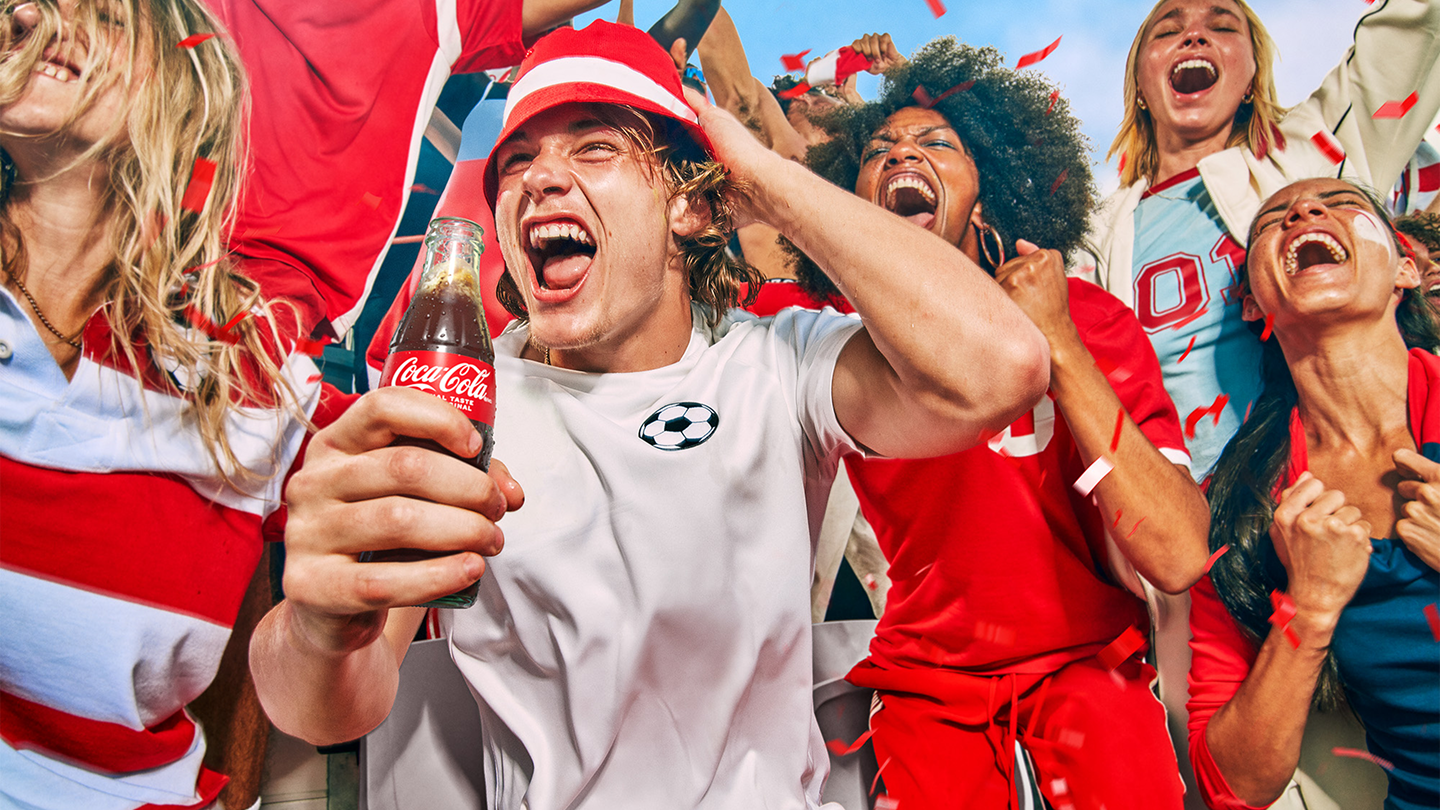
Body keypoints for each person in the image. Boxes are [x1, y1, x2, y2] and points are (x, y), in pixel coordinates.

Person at [249, 20, 1050, 810]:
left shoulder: (774, 362)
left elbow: (1000, 369)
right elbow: (326, 708)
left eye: (594, 147)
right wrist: (316, 628)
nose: (540, 177)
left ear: (694, 209)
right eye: (518, 159)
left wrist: (763, 178)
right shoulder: (461, 400)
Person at [0, 1, 599, 808]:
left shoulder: (257, 391)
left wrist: (330, 620)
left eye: (105, 11)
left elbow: (333, 673)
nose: (38, 14)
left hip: (242, 356)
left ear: (176, 76)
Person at [791, 37, 1207, 808]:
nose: (899, 154)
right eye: (877, 149)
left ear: (987, 196)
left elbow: (1179, 554)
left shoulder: (1090, 317)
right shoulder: (827, 344)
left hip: (1089, 663)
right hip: (924, 682)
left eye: (934, 143)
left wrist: (1059, 344)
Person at [1083, 0, 1440, 482]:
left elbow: (1413, 29)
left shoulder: (1314, 150)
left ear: (1251, 79)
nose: (1194, 36)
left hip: (1333, 499)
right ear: (1141, 86)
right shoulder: (1093, 235)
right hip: (1180, 524)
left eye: (1223, 26)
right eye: (1167, 31)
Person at [1189, 177, 1440, 810]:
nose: (1304, 210)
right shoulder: (1238, 507)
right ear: (1252, 305)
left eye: (1344, 204)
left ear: (1405, 268)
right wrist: (1310, 609)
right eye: (1274, 219)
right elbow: (1232, 786)